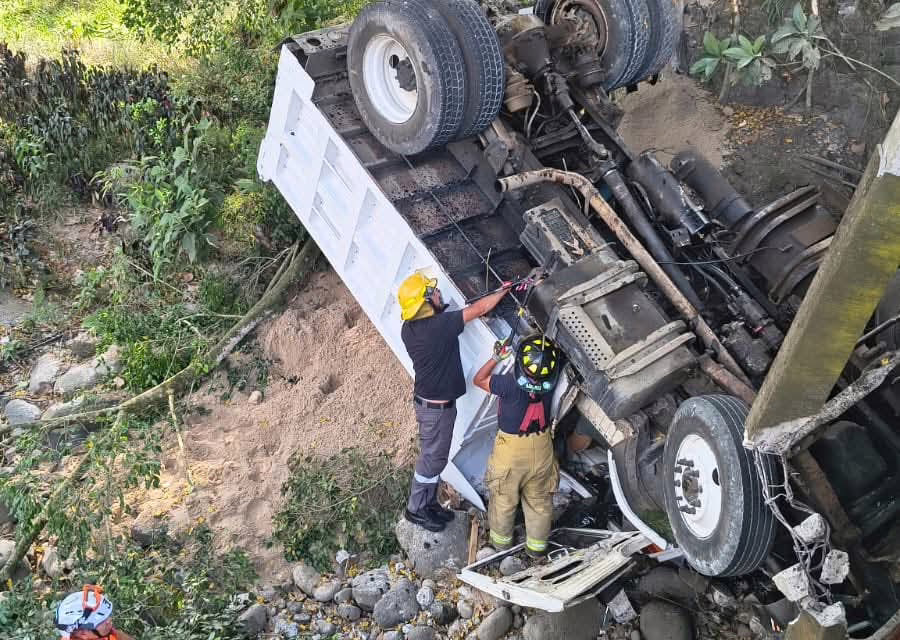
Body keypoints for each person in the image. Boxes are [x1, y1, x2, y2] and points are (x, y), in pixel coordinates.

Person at [398, 271, 509, 532]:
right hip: (436, 411)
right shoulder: (438, 327)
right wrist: (504, 289)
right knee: (431, 460)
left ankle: (428, 503)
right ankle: (416, 510)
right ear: (425, 303)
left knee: (435, 459)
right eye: (433, 293)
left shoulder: (411, 329)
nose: (439, 294)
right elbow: (480, 308)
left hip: (432, 406)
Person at [474, 334, 561, 558]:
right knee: (540, 501)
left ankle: (501, 547)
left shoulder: (509, 384)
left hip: (511, 451)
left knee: (504, 499)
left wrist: (496, 357)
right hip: (542, 447)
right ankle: (536, 551)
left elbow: (479, 379)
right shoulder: (553, 379)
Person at [55, 585, 136, 640]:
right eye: (101, 620)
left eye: (107, 616)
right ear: (83, 633)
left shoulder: (103, 632)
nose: (109, 620)